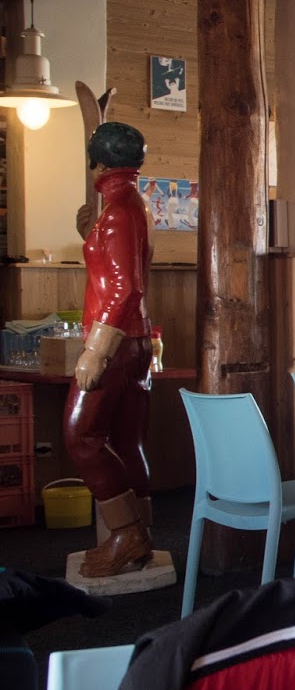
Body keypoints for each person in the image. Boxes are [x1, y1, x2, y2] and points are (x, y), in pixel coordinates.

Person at [68, 122, 156, 578]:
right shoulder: (132, 206)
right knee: (125, 440)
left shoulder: (120, 211)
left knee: (80, 437)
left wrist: (97, 351)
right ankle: (141, 535)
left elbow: (125, 288)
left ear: (98, 163)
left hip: (116, 343)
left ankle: (127, 535)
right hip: (135, 341)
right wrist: (92, 234)